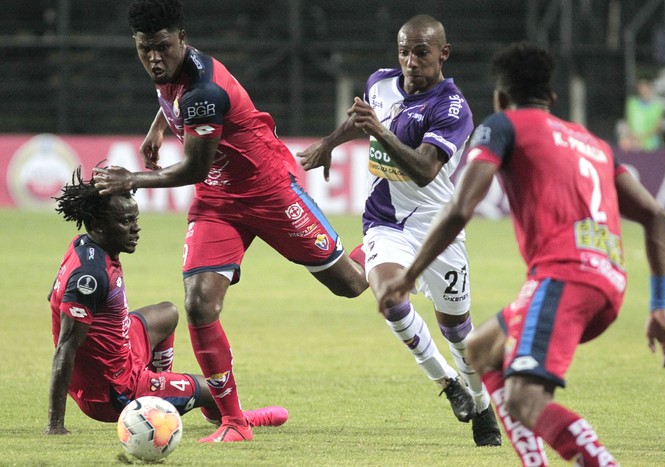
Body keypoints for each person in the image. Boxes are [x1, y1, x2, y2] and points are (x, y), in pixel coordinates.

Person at [379, 41, 665, 466]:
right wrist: (660, 306)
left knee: (524, 399)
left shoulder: (503, 126)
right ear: (553, 99)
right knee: (482, 348)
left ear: (501, 99)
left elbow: (460, 209)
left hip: (565, 277)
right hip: (608, 280)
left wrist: (410, 275)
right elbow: (655, 216)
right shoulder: (592, 142)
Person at [91, 0, 367, 443]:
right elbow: (171, 100)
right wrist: (158, 128)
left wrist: (133, 177)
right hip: (219, 200)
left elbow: (193, 169)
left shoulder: (204, 92)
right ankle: (235, 422)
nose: (154, 59)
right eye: (145, 50)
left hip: (270, 191)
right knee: (200, 303)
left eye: (163, 48)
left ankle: (383, 244)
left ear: (183, 40)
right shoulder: (171, 72)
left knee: (351, 284)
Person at [297, 14, 501, 447]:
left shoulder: (452, 108)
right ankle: (447, 385)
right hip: (385, 223)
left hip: (440, 231)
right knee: (389, 296)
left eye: (421, 52)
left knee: (459, 333)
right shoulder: (381, 82)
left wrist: (380, 132)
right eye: (404, 52)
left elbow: (426, 169)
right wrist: (330, 143)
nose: (411, 61)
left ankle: (483, 407)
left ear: (443, 54)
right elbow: (362, 118)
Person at [46, 168, 288, 436]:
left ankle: (159, 397)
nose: (135, 228)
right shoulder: (91, 276)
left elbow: (53, 299)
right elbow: (65, 348)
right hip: (113, 391)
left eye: (135, 219)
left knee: (168, 313)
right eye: (125, 221)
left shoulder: (82, 246)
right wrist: (55, 425)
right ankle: (223, 416)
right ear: (98, 225)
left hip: (121, 358)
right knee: (214, 388)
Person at [620, 78, 665, 151]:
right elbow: (628, 122)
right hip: (634, 141)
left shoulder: (657, 106)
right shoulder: (632, 103)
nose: (642, 90)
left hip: (651, 143)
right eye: (640, 87)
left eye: (644, 87)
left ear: (650, 88)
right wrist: (631, 136)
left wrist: (643, 137)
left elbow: (658, 126)